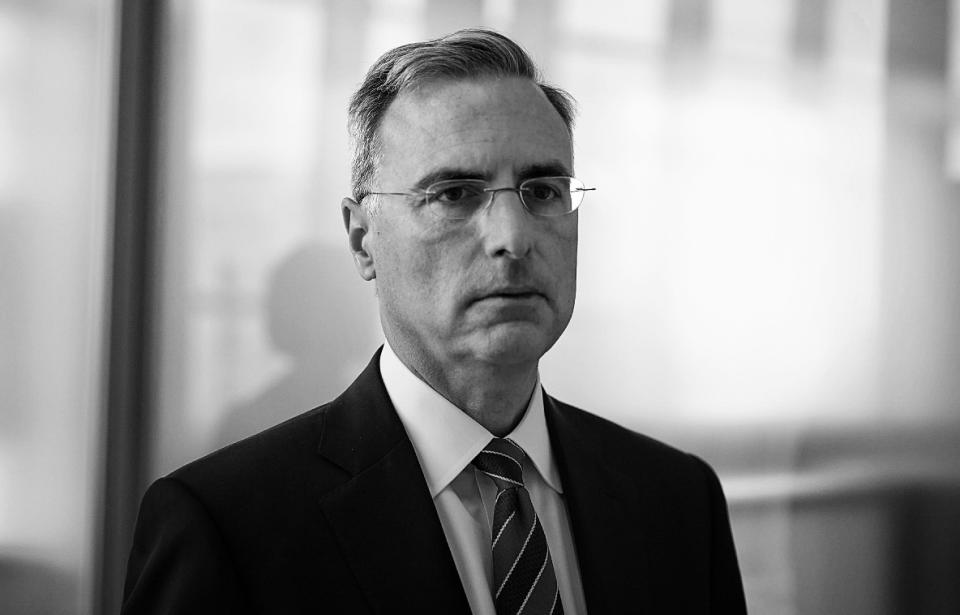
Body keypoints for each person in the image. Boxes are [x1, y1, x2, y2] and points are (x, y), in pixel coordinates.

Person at [122, 28, 747, 614]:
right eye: (454, 194)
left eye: (544, 191)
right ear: (364, 240)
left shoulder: (677, 501)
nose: (512, 238)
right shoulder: (225, 526)